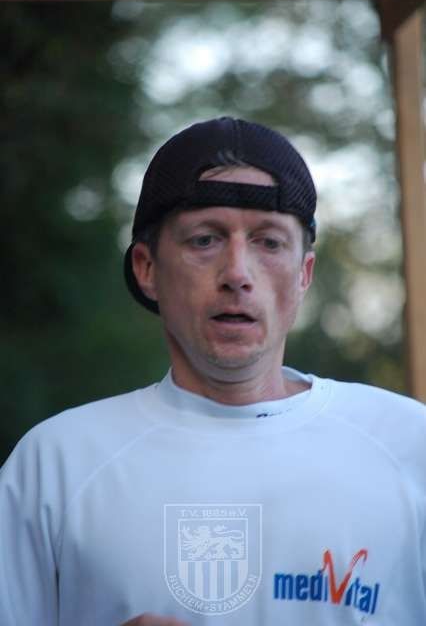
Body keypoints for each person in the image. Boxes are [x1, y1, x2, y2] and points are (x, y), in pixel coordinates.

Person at [0, 117, 425, 626]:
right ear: (147, 268)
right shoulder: (55, 465)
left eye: (269, 242)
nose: (237, 274)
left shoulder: (409, 444)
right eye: (205, 240)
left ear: (304, 273)